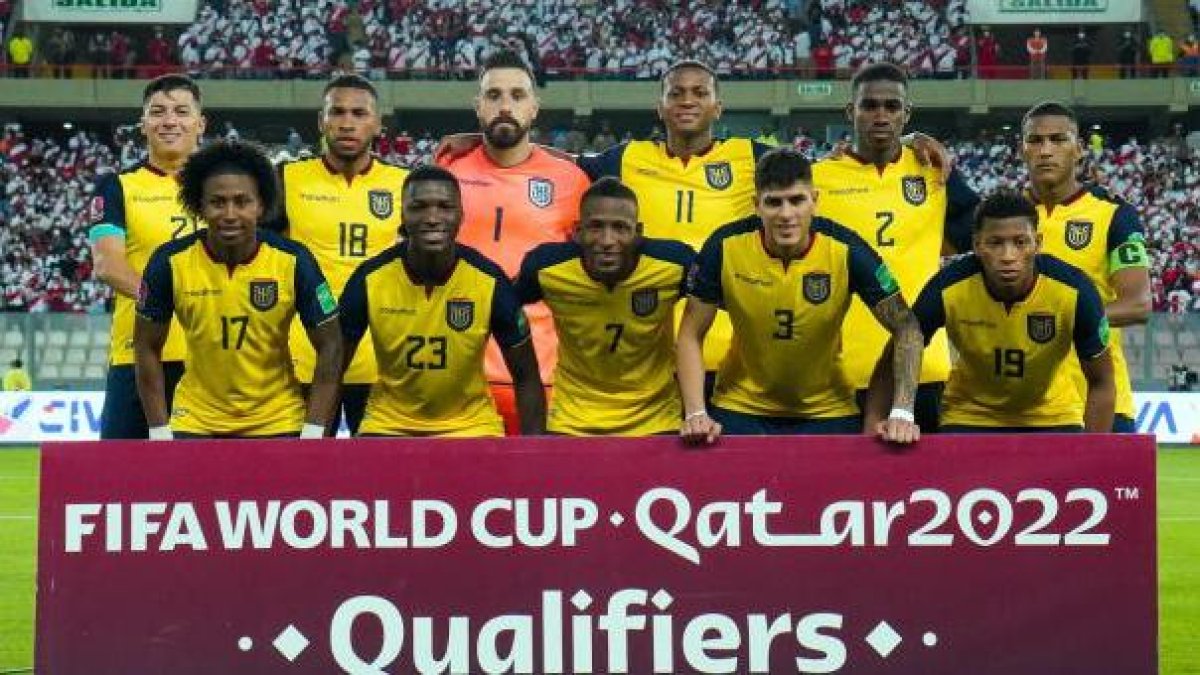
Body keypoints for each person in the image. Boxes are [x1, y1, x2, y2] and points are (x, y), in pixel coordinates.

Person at [677, 148, 923, 444]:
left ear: (815, 201)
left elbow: (906, 326)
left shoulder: (847, 251)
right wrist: (695, 413)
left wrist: (902, 412)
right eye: (773, 203)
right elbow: (691, 333)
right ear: (756, 205)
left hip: (828, 411)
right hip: (739, 408)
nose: (786, 214)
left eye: (797, 200)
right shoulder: (724, 247)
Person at [134, 141, 343, 439]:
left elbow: (331, 344)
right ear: (199, 206)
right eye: (217, 202)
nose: (230, 214)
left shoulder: (294, 260)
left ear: (261, 205)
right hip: (195, 421)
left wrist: (312, 430)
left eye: (242, 202)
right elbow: (145, 346)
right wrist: (158, 429)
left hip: (279, 420)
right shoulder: (168, 262)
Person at [813, 62, 979, 433]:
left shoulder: (934, 171)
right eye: (869, 105)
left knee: (927, 491)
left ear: (907, 114)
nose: (881, 115)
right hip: (839, 375)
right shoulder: (817, 180)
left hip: (925, 369)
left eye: (892, 106)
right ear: (849, 112)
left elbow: (979, 237)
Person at [870, 191, 1115, 433]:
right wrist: (881, 419)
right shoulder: (948, 287)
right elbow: (901, 343)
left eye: (1020, 242)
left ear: (1038, 244)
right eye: (995, 243)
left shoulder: (1075, 290)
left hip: (1052, 415)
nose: (1008, 256)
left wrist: (1093, 455)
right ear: (977, 245)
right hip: (970, 415)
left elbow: (1102, 381)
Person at [437, 49, 590, 434]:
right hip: (458, 379)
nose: (505, 106)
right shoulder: (446, 171)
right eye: (494, 96)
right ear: (478, 106)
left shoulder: (571, 180)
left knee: (538, 490)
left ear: (535, 108)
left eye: (517, 96)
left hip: (544, 377)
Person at [339, 166, 545, 436]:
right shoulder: (369, 278)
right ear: (402, 215)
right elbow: (331, 368)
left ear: (461, 215)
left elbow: (526, 375)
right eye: (419, 207)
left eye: (445, 207)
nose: (433, 218)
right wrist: (312, 439)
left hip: (472, 427)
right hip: (388, 425)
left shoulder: (489, 280)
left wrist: (535, 454)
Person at [276, 73, 408, 435]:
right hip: (304, 359)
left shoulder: (404, 185)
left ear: (378, 123)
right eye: (336, 112)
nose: (347, 123)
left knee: (378, 484)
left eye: (359, 113)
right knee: (303, 478)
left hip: (381, 362)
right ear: (321, 121)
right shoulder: (285, 179)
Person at [516, 177, 694, 436]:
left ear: (639, 233)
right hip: (572, 421)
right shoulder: (545, 267)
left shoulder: (674, 264)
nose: (607, 240)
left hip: (656, 421)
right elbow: (499, 306)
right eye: (596, 227)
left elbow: (731, 296)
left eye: (620, 228)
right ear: (577, 232)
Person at [1019, 101, 1151, 432]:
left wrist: (1060, 319)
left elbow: (1137, 305)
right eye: (1035, 140)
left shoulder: (1113, 214)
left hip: (1099, 400)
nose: (1046, 150)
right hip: (1024, 405)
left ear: (1078, 149)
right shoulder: (1003, 216)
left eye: (1058, 139)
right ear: (1023, 150)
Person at [89, 74, 207, 439]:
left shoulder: (228, 189)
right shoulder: (118, 187)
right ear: (143, 124)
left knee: (213, 488)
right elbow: (108, 265)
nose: (169, 120)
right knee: (121, 483)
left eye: (181, 111)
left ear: (200, 123)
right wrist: (167, 303)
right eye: (157, 112)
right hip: (137, 357)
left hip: (212, 361)